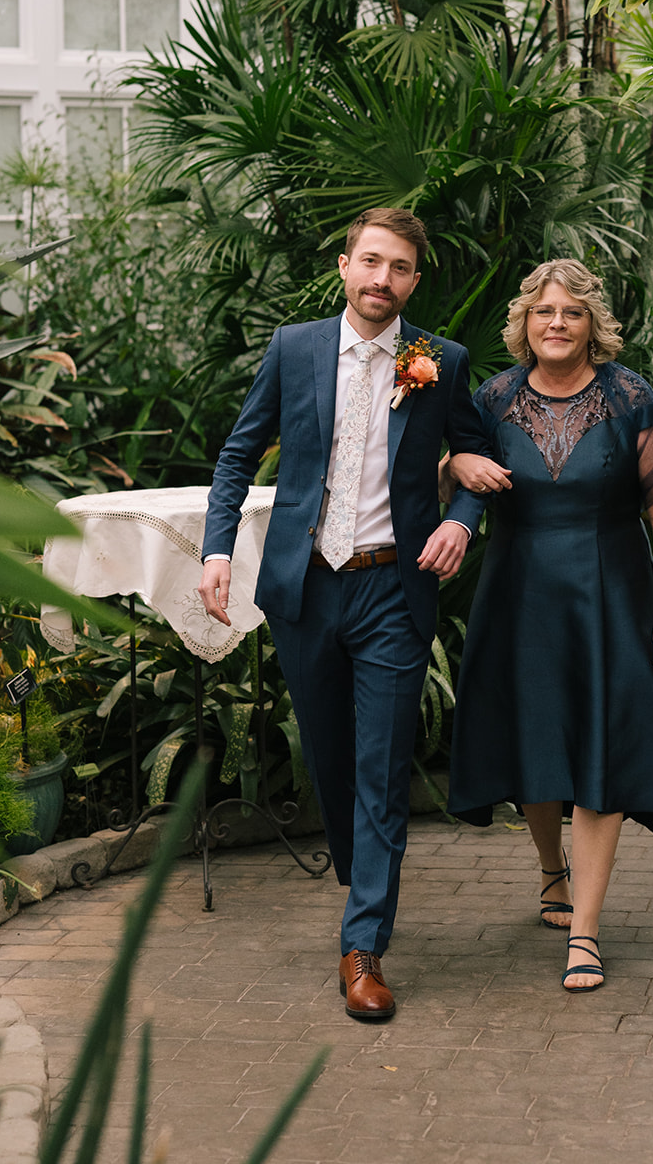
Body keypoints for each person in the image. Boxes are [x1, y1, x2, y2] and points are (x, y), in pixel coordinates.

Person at [199, 207, 490, 1021]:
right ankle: (359, 866)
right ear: (342, 266)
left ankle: (363, 946)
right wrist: (217, 549)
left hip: (391, 591)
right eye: (369, 263)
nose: (380, 280)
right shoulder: (294, 349)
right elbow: (237, 451)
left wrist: (461, 522)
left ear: (414, 280)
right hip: (304, 590)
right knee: (328, 756)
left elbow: (469, 461)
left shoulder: (440, 360)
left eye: (397, 268)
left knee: (381, 769)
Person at [443, 258, 653, 992]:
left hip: (611, 590)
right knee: (532, 739)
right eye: (543, 312)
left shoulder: (632, 399)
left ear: (593, 324)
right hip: (517, 591)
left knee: (601, 748)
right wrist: (456, 464)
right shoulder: (491, 399)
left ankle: (587, 932)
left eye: (570, 312)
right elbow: (448, 470)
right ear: (523, 324)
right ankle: (548, 871)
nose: (556, 324)